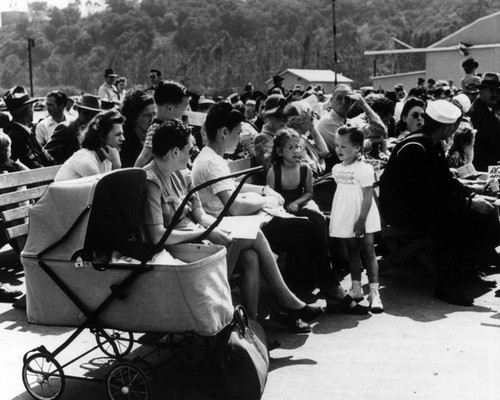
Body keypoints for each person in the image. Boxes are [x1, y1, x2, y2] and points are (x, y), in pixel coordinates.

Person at [141, 119, 323, 328]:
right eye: (189, 150)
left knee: (250, 256)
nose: (192, 154)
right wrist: (208, 232)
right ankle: (286, 301)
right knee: (255, 235)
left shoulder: (182, 176)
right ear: (174, 152)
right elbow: (158, 236)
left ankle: (251, 328)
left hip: (198, 241)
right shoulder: (151, 182)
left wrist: (217, 228)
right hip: (179, 252)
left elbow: (201, 216)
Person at [192, 102, 368, 314]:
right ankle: (328, 291)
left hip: (239, 224)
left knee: (310, 223)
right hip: (232, 228)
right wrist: (265, 201)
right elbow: (235, 207)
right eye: (238, 133)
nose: (239, 139)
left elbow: (230, 187)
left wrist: (264, 190)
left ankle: (312, 289)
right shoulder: (212, 162)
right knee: (306, 228)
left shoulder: (211, 157)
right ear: (224, 132)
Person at [379, 100, 499, 306]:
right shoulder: (416, 147)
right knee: (451, 222)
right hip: (402, 210)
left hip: (418, 205)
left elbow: (444, 182)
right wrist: (468, 203)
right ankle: (446, 285)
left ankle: (471, 268)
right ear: (447, 127)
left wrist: (473, 194)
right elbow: (428, 195)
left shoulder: (429, 143)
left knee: (485, 213)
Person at [329, 125, 383, 313]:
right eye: (337, 145)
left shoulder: (364, 169)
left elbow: (367, 196)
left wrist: (361, 219)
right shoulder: (336, 169)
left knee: (368, 250)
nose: (338, 150)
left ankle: (374, 293)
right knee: (352, 251)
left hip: (363, 214)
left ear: (358, 147)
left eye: (344, 146)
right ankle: (356, 287)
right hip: (347, 214)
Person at [316, 84, 385, 172]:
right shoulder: (327, 122)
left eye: (348, 99)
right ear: (331, 101)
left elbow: (380, 130)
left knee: (389, 167)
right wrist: (372, 140)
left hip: (354, 166)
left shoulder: (350, 122)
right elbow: (350, 151)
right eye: (339, 98)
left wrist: (364, 105)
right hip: (339, 172)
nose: (344, 102)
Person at [55, 110, 124, 181]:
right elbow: (105, 190)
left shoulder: (107, 159)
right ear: (102, 137)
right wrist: (117, 165)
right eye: (118, 134)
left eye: (122, 134)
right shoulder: (87, 161)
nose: (123, 138)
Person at [134, 80, 190, 168]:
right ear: (170, 108)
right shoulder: (156, 129)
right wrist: (135, 177)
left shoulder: (174, 126)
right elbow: (144, 156)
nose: (186, 113)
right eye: (184, 109)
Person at [2, 86, 54, 169]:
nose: (32, 110)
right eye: (32, 107)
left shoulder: (18, 132)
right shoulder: (18, 136)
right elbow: (35, 166)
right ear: (27, 110)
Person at [45, 94, 103, 164]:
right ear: (79, 111)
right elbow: (46, 155)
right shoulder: (66, 128)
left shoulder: (96, 132)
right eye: (86, 113)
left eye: (94, 115)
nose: (90, 118)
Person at [469, 72, 500, 171]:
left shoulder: (495, 109)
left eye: (498, 92)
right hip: (484, 167)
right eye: (491, 91)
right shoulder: (475, 112)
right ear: (481, 91)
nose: (495, 95)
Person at [120, 89, 156, 168]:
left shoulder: (156, 138)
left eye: (154, 114)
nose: (152, 120)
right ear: (134, 118)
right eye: (147, 116)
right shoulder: (124, 143)